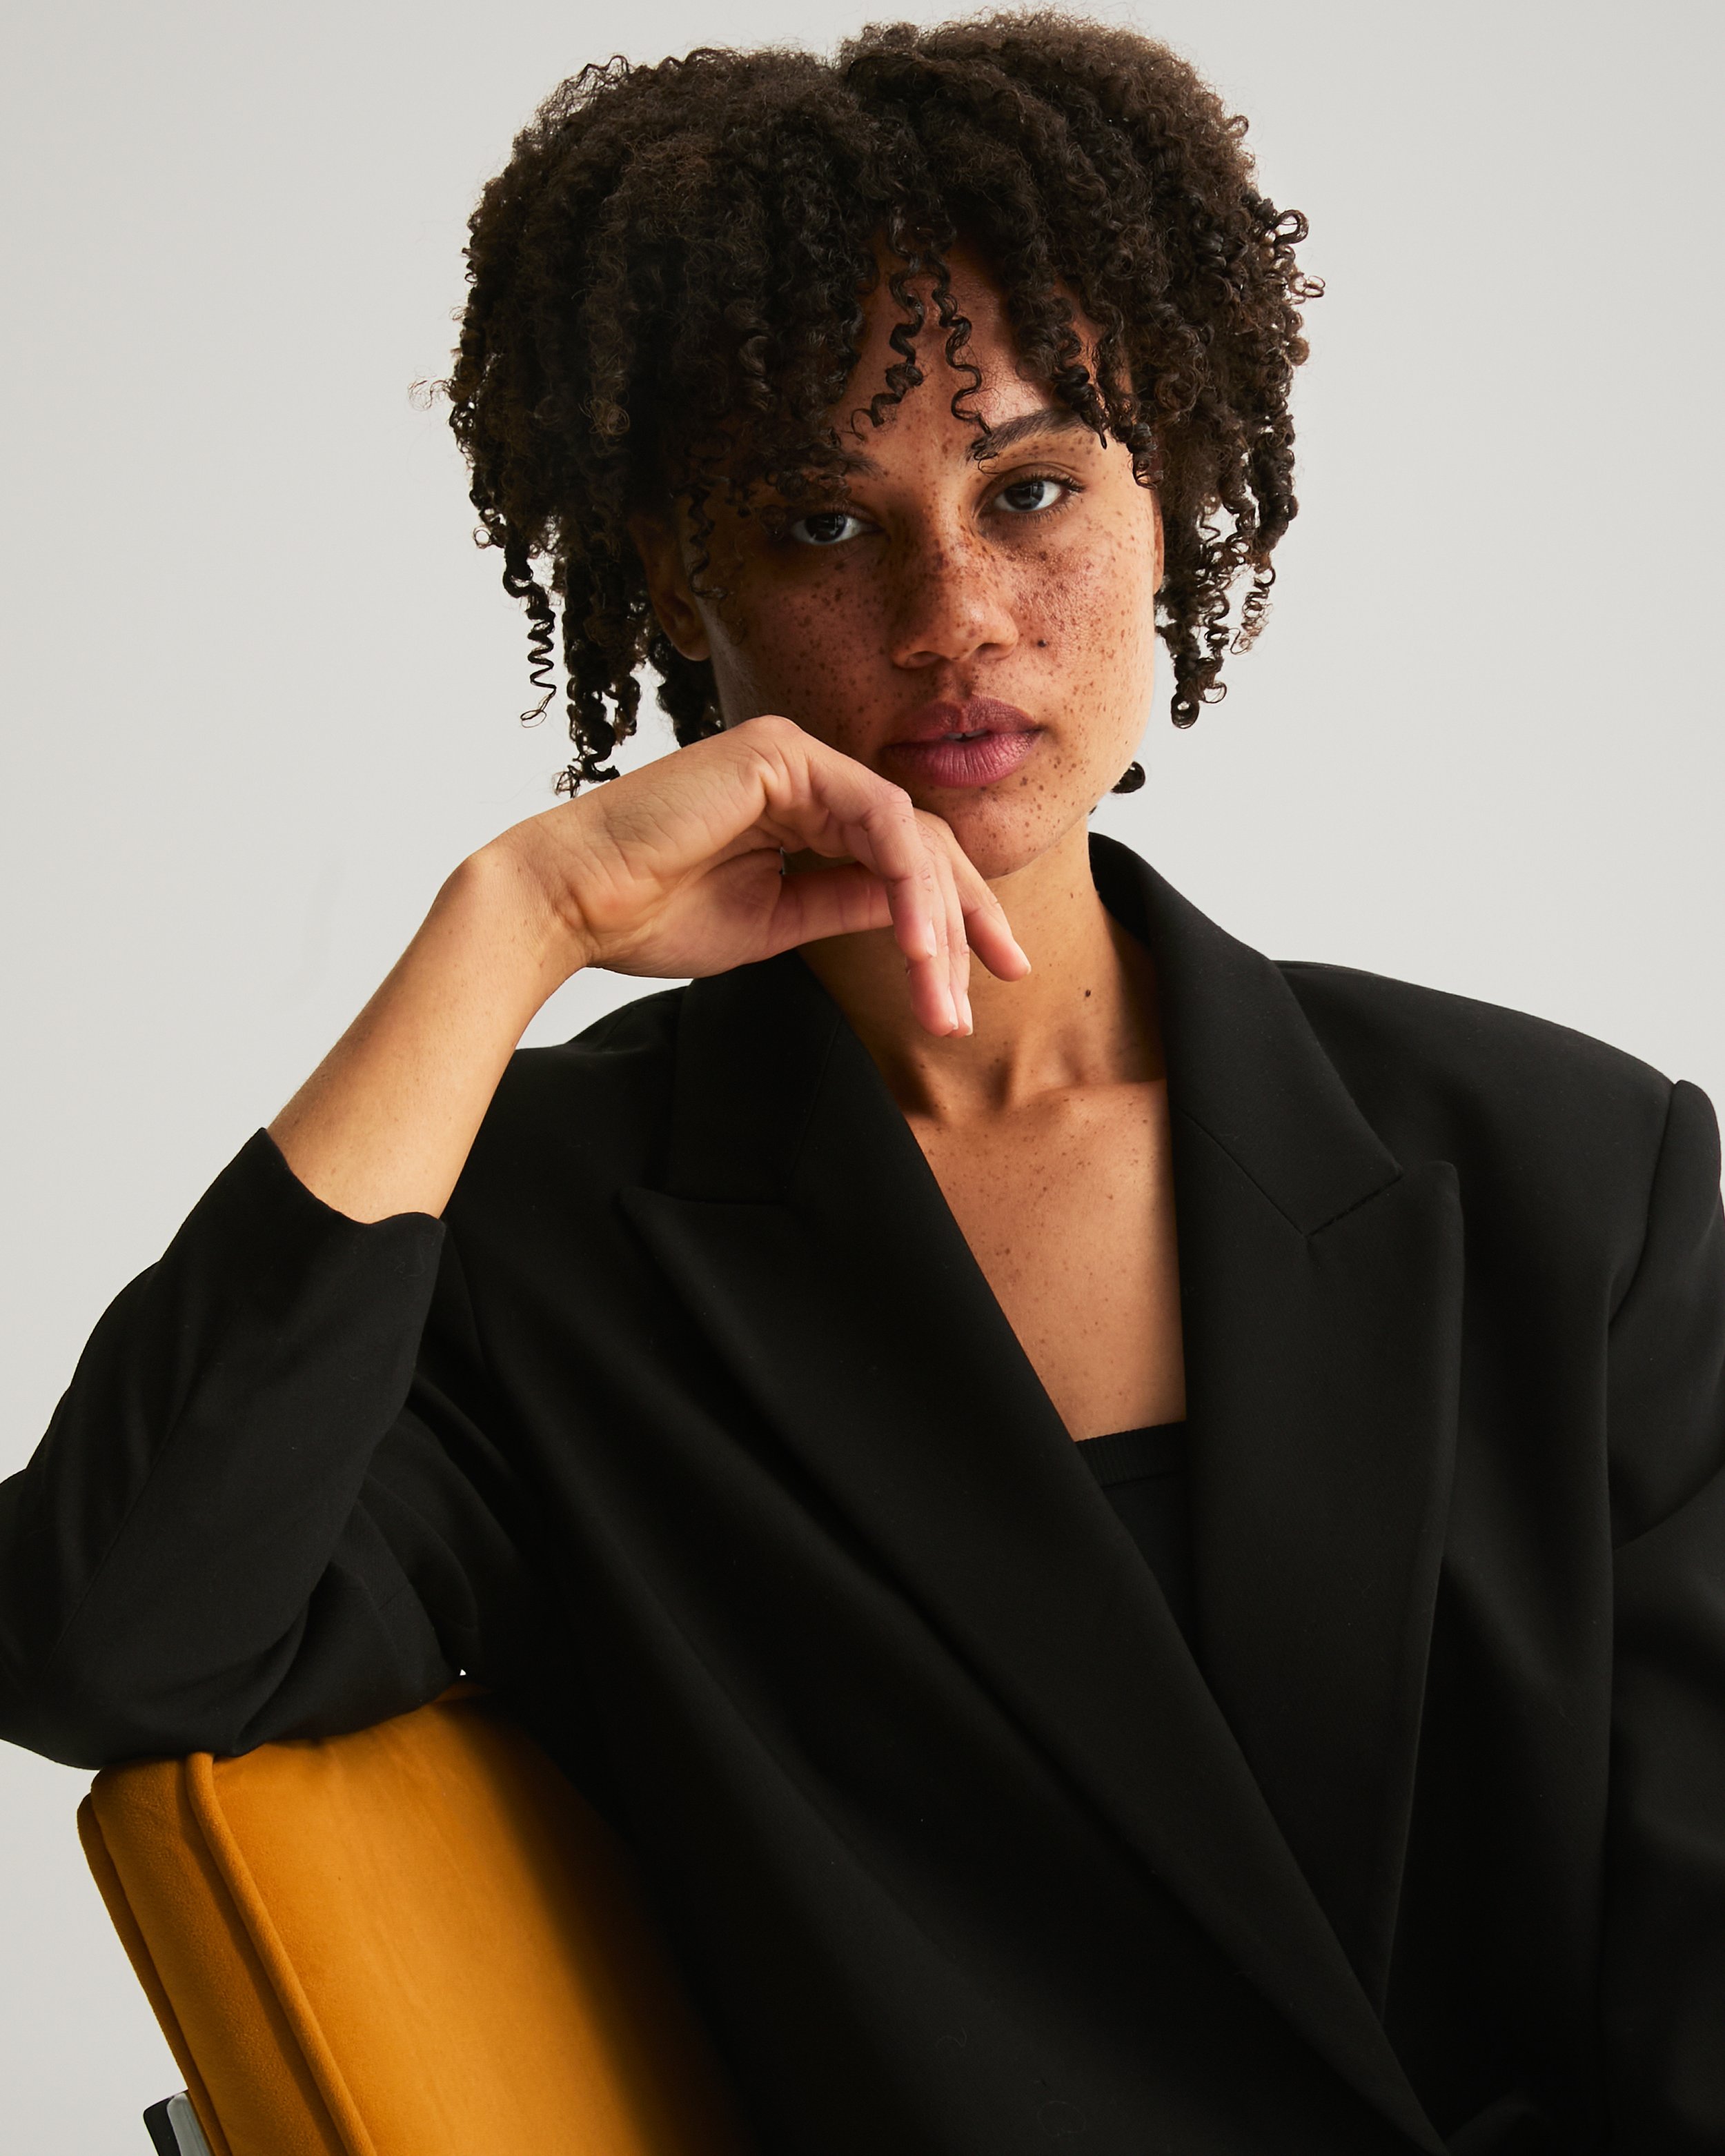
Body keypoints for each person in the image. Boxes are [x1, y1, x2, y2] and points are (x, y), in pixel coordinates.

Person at [2, 14, 1722, 2153]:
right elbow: (112, 1649)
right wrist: (504, 929)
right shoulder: (536, 1244)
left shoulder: (1570, 1175)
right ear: (675, 577)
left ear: (1166, 499)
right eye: (823, 521)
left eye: (1030, 489)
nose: (954, 617)